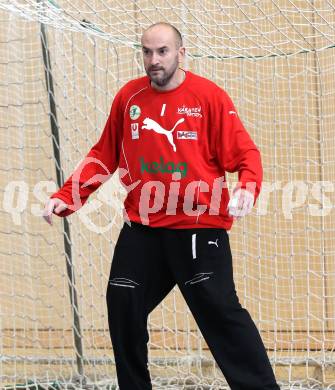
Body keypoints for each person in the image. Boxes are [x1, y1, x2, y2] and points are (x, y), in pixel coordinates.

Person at [43, 22, 280, 390]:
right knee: (122, 303)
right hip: (144, 230)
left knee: (220, 313)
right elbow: (104, 154)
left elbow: (245, 154)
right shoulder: (129, 98)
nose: (154, 60)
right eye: (147, 51)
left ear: (180, 53)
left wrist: (248, 188)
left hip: (198, 229)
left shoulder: (209, 97)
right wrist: (67, 197)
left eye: (163, 51)